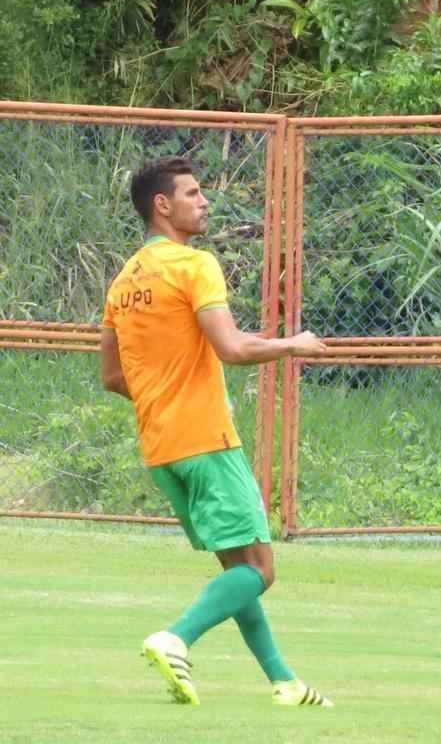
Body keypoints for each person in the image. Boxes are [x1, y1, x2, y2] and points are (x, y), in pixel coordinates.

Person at [100, 156, 332, 707]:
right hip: (205, 439)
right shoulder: (194, 263)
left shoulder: (124, 280)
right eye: (193, 193)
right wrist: (292, 344)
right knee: (260, 570)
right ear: (163, 205)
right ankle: (175, 636)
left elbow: (113, 376)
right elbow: (231, 348)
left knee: (236, 567)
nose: (204, 202)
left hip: (161, 448)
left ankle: (284, 682)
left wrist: (165, 393)